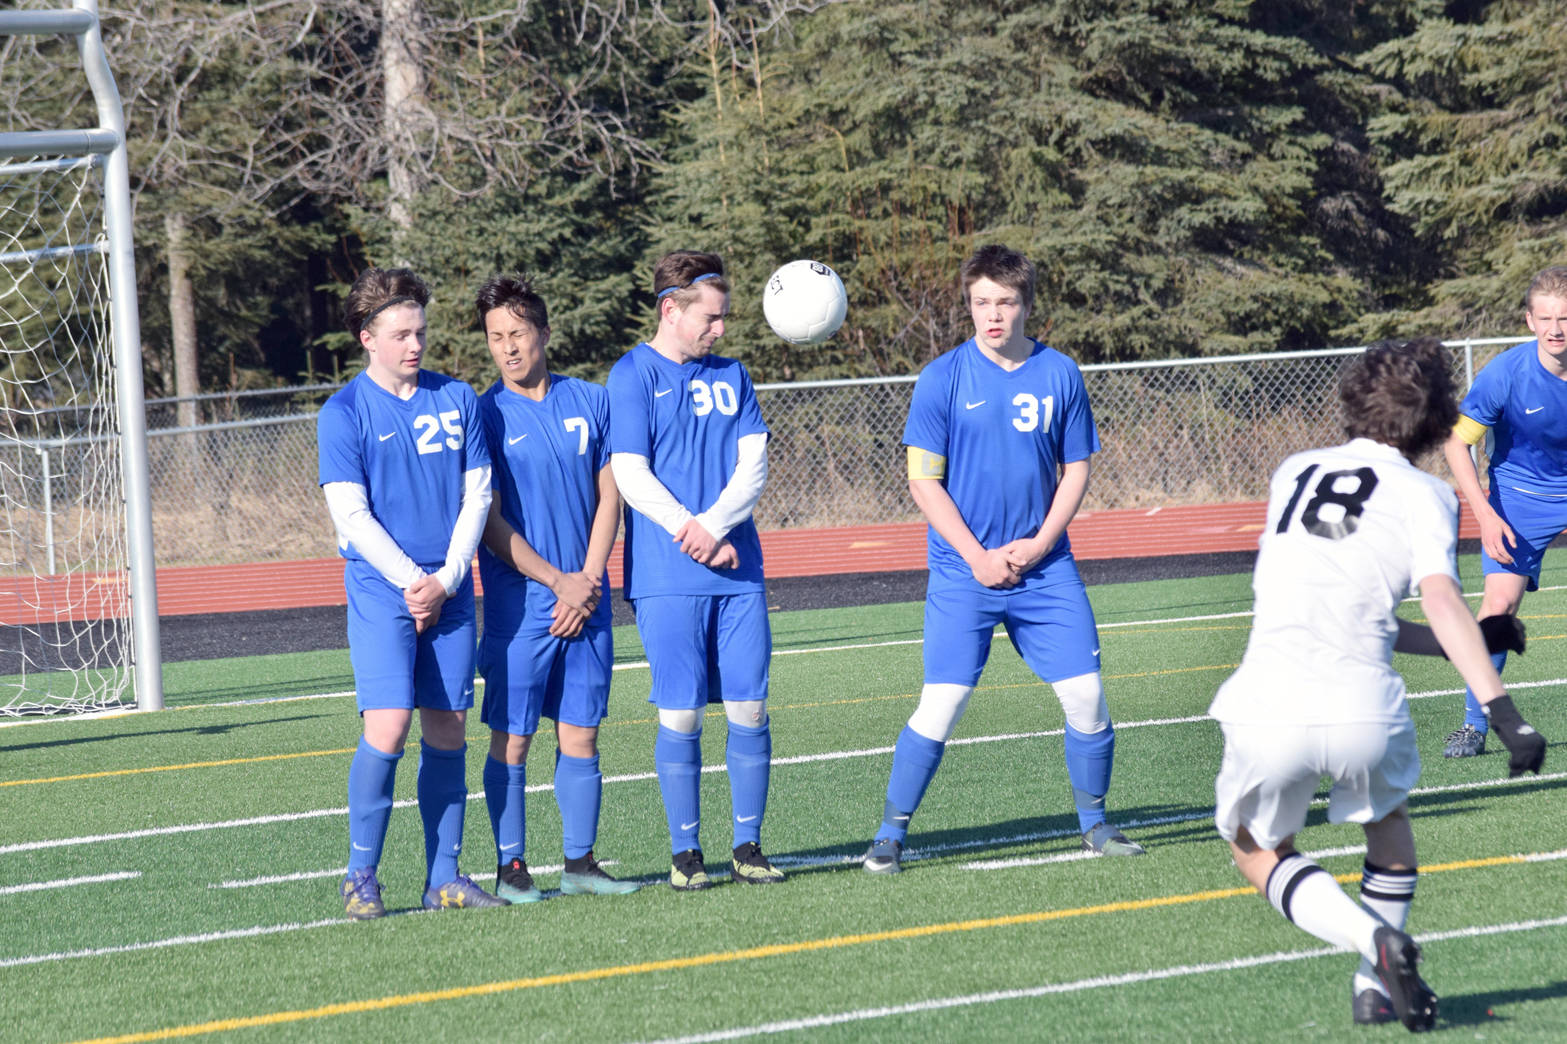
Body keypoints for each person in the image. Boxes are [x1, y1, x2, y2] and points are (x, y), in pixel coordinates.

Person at [1210, 338, 1546, 1032]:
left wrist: (1472, 643)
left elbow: (1340, 606)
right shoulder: (1426, 494)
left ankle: (1374, 951)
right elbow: (1437, 603)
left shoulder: (1292, 470)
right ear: (1435, 421)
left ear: (1351, 396)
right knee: (1386, 824)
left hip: (1269, 696)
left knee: (1252, 845)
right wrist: (1502, 709)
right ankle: (1372, 980)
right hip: (1363, 703)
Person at [863, 243, 1143, 875]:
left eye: (1005, 302)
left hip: (1044, 570)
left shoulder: (1060, 373)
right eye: (980, 302)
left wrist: (1041, 543)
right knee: (943, 702)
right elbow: (922, 482)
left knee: (1087, 696)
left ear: (1026, 305)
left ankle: (1095, 824)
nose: (992, 315)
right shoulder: (941, 377)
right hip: (966, 574)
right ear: (969, 305)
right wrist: (977, 558)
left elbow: (1077, 469)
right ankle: (888, 834)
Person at [317, 267, 507, 916]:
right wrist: (412, 582)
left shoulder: (457, 398)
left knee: (449, 726)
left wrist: (448, 578)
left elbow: (477, 493)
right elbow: (351, 517)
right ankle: (360, 876)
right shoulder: (343, 413)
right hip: (381, 589)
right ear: (367, 338)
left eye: (420, 331)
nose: (415, 345)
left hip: (449, 586)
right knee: (390, 724)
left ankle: (444, 879)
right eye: (400, 334)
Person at [606, 250, 783, 890]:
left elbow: (754, 465)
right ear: (670, 309)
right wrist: (695, 531)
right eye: (711, 318)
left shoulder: (732, 375)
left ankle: (748, 846)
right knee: (681, 715)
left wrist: (715, 528)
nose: (721, 330)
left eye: (724, 317)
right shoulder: (630, 375)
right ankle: (686, 856)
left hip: (736, 571)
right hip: (666, 574)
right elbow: (631, 475)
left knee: (750, 708)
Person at [472, 275, 638, 901]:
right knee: (513, 736)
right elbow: (487, 520)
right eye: (495, 338)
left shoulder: (592, 402)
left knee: (582, 733)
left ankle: (580, 864)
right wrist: (557, 582)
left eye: (517, 333)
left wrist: (588, 582)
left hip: (586, 600)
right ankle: (511, 867)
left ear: (543, 332)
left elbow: (610, 497)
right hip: (524, 607)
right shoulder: (483, 413)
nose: (508, 348)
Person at [1440, 266, 1567, 758]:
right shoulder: (1505, 374)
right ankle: (1475, 724)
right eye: (1547, 317)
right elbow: (1456, 446)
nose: (1557, 328)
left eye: (1566, 318)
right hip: (1519, 498)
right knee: (1497, 608)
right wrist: (1486, 516)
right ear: (1530, 320)